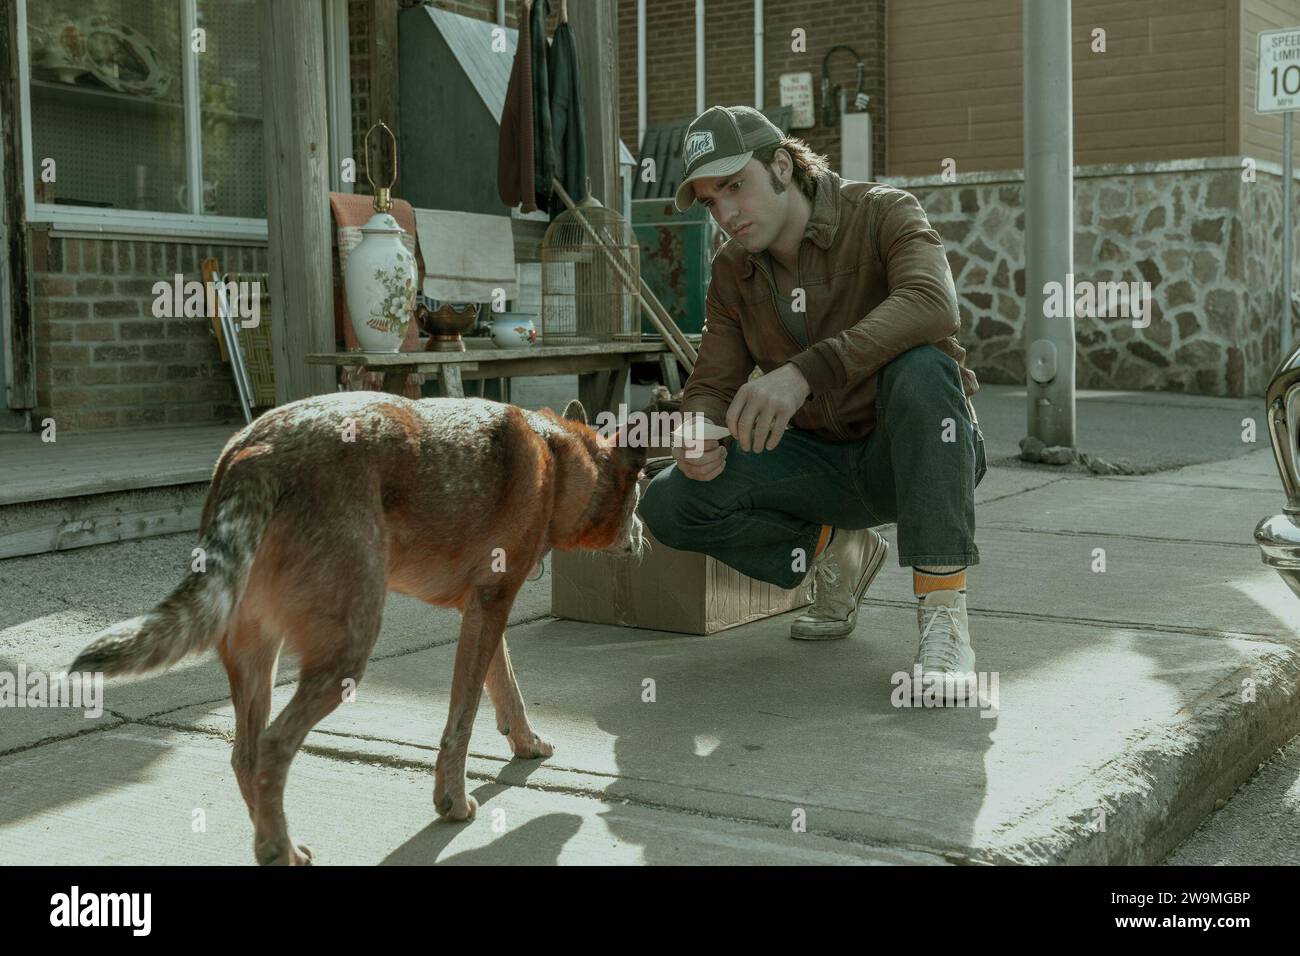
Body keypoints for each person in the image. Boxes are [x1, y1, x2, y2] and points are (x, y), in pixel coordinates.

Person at [637, 105, 986, 683]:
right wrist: (695, 432)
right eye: (709, 201)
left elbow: (932, 302)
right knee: (668, 503)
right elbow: (712, 383)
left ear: (780, 165)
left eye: (733, 187)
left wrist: (803, 372)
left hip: (913, 454)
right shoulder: (732, 271)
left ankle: (945, 617)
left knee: (923, 368)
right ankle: (839, 548)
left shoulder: (880, 212)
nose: (724, 213)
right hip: (819, 465)